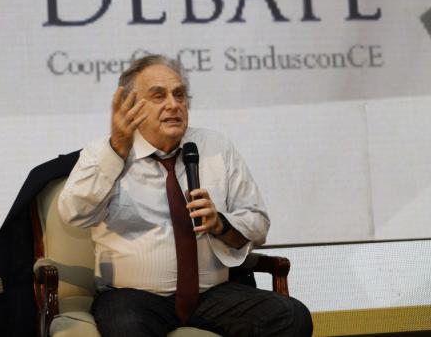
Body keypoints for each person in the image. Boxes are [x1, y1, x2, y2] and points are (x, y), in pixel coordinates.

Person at [58, 54, 312, 336]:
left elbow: (258, 223)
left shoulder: (216, 147)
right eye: (159, 96)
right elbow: (74, 213)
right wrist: (117, 149)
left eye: (179, 95)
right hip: (132, 296)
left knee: (292, 317)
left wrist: (220, 224)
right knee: (127, 327)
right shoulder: (103, 152)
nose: (173, 104)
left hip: (211, 295)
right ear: (130, 106)